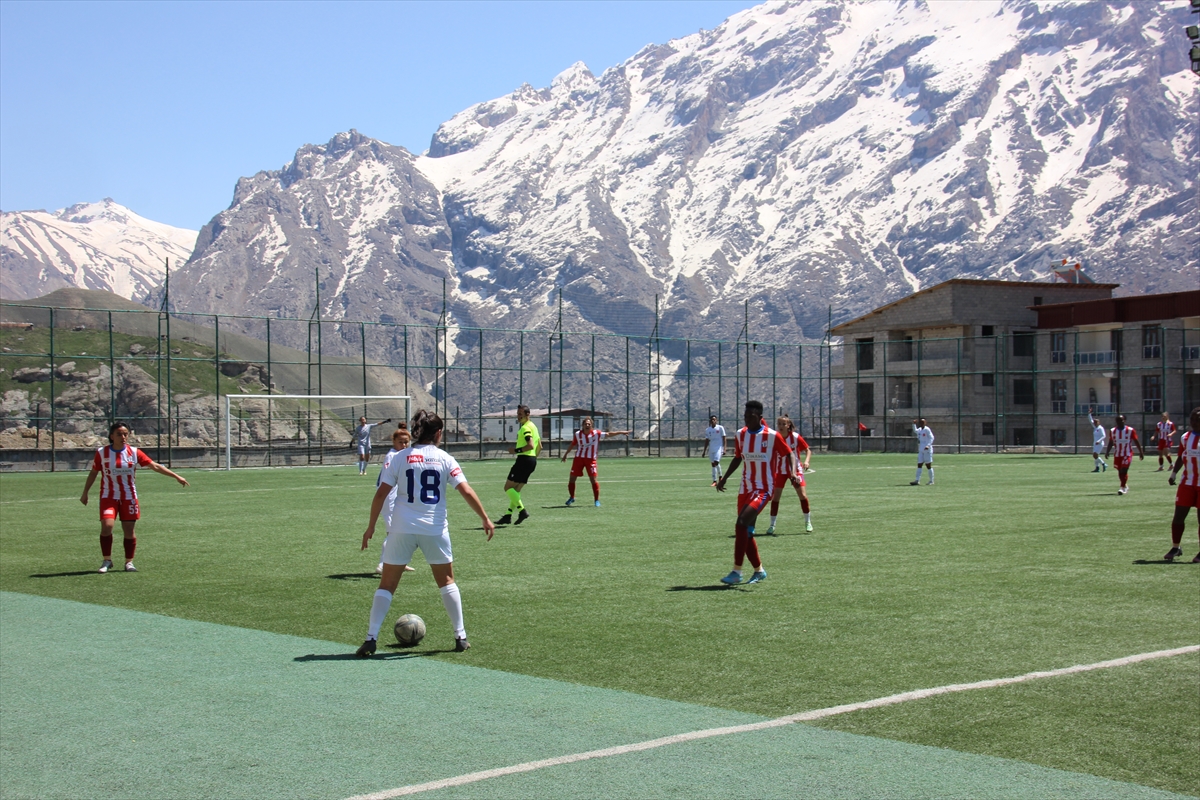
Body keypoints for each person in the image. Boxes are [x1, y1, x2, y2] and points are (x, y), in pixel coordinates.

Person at [356, 410, 494, 656]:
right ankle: (460, 636)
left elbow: (380, 494)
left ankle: (370, 638)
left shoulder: (399, 457)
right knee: (447, 582)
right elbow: (466, 490)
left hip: (401, 528)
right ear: (439, 433)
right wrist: (484, 518)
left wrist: (371, 527)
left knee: (387, 584)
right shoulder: (444, 458)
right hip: (434, 528)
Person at [80, 421, 190, 573]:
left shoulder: (134, 452)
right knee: (107, 526)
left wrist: (176, 476)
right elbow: (94, 472)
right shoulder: (102, 453)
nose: (123, 437)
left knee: (129, 530)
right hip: (108, 496)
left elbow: (155, 466)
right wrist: (85, 492)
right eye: (119, 434)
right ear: (112, 436)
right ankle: (107, 560)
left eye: (126, 434)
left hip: (129, 497)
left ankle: (129, 562)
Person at [714, 400, 797, 585]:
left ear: (760, 418)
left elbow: (789, 453)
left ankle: (737, 571)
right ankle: (759, 570)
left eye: (751, 417)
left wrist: (792, 473)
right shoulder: (740, 434)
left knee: (741, 523)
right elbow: (738, 458)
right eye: (745, 416)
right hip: (745, 488)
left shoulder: (772, 435)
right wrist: (725, 478)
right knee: (746, 531)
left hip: (764, 488)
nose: (747, 420)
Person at [560, 417, 632, 507]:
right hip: (579, 459)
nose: (587, 425)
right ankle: (572, 497)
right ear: (582, 425)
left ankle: (596, 500)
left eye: (589, 424)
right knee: (572, 479)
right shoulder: (578, 434)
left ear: (591, 425)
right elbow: (573, 444)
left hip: (591, 460)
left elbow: (609, 434)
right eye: (585, 424)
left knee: (593, 480)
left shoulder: (596, 433)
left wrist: (622, 432)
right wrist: (565, 454)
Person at [375, 424, 416, 576]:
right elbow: (386, 481)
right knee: (394, 533)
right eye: (401, 442)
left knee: (402, 533)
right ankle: (382, 563)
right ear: (393, 441)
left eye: (406, 442)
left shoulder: (402, 456)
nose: (404, 445)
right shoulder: (392, 456)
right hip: (390, 500)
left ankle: (400, 562)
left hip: (398, 500)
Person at [765, 414, 813, 534]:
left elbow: (807, 449)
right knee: (775, 498)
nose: (780, 426)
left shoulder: (795, 437)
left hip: (795, 472)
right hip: (779, 471)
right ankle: (772, 525)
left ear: (788, 425)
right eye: (779, 424)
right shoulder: (775, 438)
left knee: (802, 495)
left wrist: (806, 461)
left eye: (783, 424)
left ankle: (808, 522)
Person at [495, 405, 541, 525]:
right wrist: (533, 458)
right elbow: (539, 446)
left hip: (524, 460)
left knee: (508, 488)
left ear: (528, 414)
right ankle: (508, 515)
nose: (519, 416)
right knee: (516, 490)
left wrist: (516, 451)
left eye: (521, 414)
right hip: (531, 460)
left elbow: (530, 445)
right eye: (518, 413)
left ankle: (522, 511)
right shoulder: (534, 427)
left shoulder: (526, 428)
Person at [1165, 407, 1200, 563]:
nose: (1194, 422)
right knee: (1178, 517)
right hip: (1187, 483)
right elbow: (1181, 457)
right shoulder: (1185, 437)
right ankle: (1176, 547)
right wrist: (1173, 474)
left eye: (1197, 419)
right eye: (1192, 419)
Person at [1105, 414, 1145, 495]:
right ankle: (1125, 486)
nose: (1120, 422)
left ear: (1125, 420)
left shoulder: (1130, 430)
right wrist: (1107, 451)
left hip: (1127, 453)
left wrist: (1141, 452)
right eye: (1118, 420)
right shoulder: (1113, 431)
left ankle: (1122, 487)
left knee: (1124, 469)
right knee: (1120, 471)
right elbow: (1111, 442)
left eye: (1121, 420)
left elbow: (1136, 441)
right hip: (1118, 454)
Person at [701, 415, 727, 485]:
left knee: (716, 462)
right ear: (710, 421)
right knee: (713, 464)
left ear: (716, 420)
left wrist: (724, 448)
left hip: (719, 448)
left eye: (714, 419)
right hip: (711, 448)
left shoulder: (720, 428)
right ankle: (717, 479)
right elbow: (707, 440)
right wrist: (704, 451)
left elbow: (724, 438)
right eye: (712, 420)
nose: (713, 421)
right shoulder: (708, 430)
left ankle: (718, 479)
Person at [909, 418, 935, 485]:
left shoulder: (927, 429)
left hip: (927, 450)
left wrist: (928, 445)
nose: (921, 423)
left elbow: (931, 438)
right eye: (920, 422)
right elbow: (915, 431)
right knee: (919, 464)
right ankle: (917, 480)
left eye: (923, 422)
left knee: (928, 465)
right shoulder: (920, 430)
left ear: (925, 423)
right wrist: (914, 424)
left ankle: (931, 481)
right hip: (921, 449)